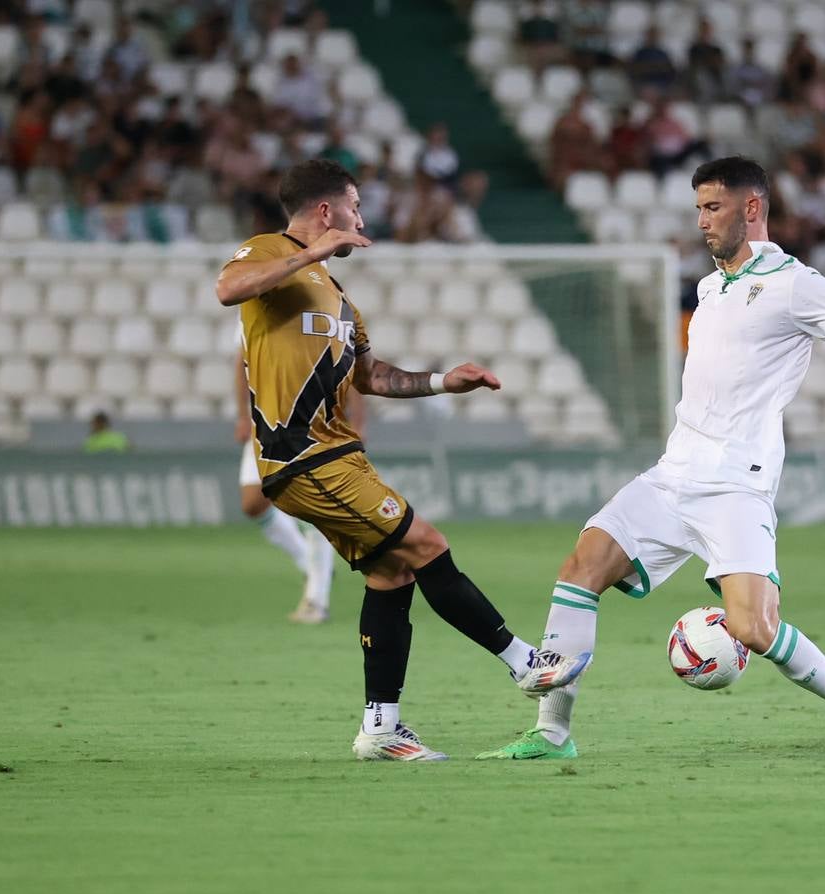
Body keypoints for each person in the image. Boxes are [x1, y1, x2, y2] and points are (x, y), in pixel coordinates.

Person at [478, 157, 825, 762]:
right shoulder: (710, 285)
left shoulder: (797, 283)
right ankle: (552, 733)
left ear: (752, 208)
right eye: (697, 209)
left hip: (737, 486)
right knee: (582, 566)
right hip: (673, 474)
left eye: (712, 208)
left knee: (754, 630)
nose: (701, 222)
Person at [214, 159, 588, 761]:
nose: (362, 220)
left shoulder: (339, 299)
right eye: (355, 208)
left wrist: (444, 380)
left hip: (341, 456)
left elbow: (372, 377)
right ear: (327, 212)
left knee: (393, 574)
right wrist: (311, 253)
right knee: (429, 544)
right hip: (304, 458)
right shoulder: (266, 251)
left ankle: (381, 728)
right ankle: (524, 663)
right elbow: (228, 290)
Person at [233, 333, 344, 624]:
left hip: (308, 419)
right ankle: (308, 562)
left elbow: (347, 360)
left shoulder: (316, 301)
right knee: (252, 503)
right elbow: (241, 362)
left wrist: (356, 419)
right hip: (264, 420)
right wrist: (242, 416)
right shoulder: (254, 300)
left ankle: (315, 600)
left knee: (314, 505)